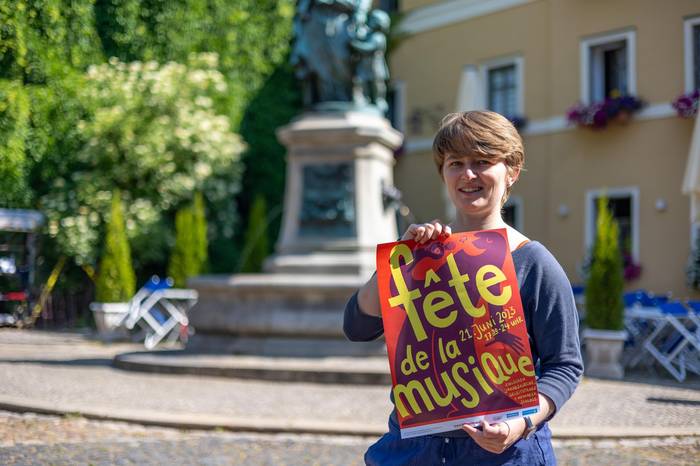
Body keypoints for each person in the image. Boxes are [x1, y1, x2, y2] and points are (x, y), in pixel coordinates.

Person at [343, 111, 583, 465]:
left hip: (503, 452)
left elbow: (564, 365)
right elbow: (356, 326)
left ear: (511, 172)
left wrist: (520, 424)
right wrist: (399, 262)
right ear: (443, 173)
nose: (468, 174)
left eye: (483, 161)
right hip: (414, 449)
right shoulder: (422, 256)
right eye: (456, 163)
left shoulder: (532, 261)